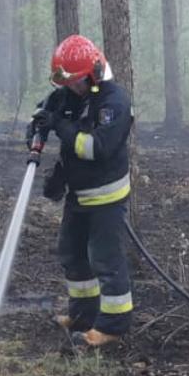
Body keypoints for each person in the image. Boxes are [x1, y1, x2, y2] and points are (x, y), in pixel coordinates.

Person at [28, 35, 135, 348]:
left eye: (76, 82)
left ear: (94, 73)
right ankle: (83, 315)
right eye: (68, 83)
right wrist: (37, 128)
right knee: (73, 255)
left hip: (106, 198)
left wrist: (59, 126)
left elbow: (96, 148)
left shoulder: (114, 102)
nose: (70, 88)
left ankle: (113, 325)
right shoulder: (70, 95)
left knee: (106, 260)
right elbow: (45, 112)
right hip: (78, 195)